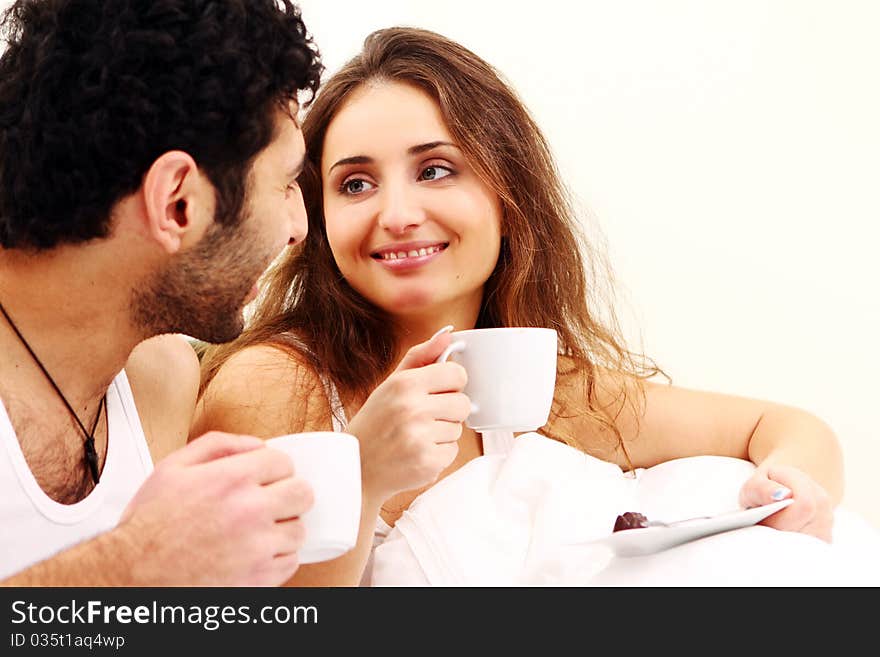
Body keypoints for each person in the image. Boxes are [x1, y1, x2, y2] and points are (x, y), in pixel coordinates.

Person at [193, 27, 843, 586]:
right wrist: (363, 476)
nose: (396, 214)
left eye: (436, 169)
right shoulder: (277, 389)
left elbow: (784, 425)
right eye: (356, 183)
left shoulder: (538, 395)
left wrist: (790, 487)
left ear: (507, 193)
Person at [0, 0, 323, 586]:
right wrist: (131, 563)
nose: (299, 227)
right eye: (284, 183)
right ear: (178, 202)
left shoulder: (162, 379)